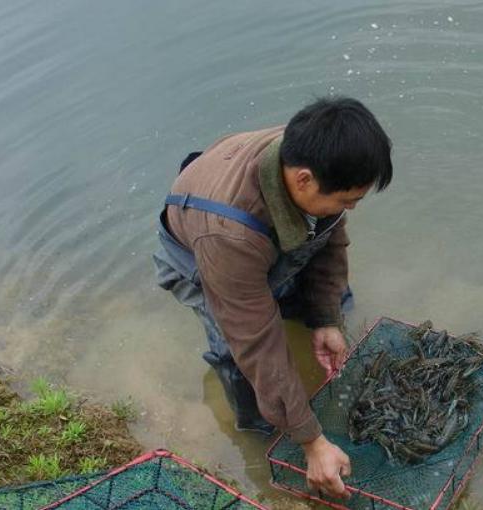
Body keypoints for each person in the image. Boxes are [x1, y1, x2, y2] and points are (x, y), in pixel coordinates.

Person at [152, 97, 393, 498]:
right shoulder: (229, 237)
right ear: (303, 180)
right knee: (239, 355)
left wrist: (326, 319)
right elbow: (258, 343)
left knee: (329, 301)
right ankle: (259, 432)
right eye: (347, 199)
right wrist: (310, 440)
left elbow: (330, 234)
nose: (350, 208)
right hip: (204, 254)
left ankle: (314, 335)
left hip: (260, 233)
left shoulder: (317, 158)